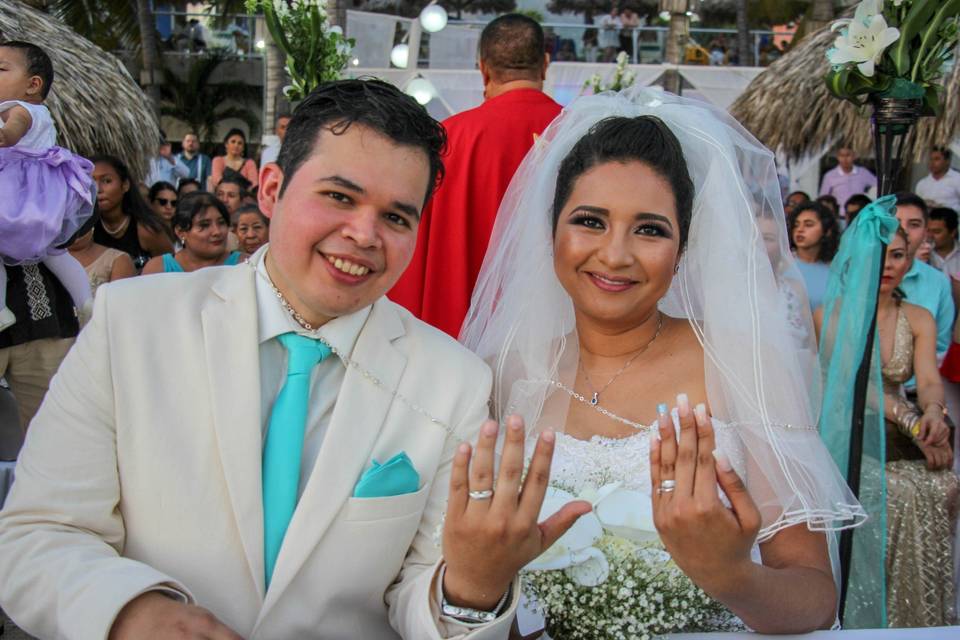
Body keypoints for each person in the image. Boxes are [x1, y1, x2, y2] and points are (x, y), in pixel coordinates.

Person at [0, 78, 584, 639]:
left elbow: (417, 591)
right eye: (338, 196)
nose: (363, 233)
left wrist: (473, 588)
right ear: (273, 188)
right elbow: (38, 531)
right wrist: (128, 612)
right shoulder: (131, 323)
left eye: (396, 217)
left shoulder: (453, 380)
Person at [461, 88, 864, 637]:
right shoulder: (504, 371)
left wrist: (732, 576)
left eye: (650, 229)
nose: (616, 254)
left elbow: (816, 599)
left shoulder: (740, 365)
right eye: (590, 220)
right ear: (550, 230)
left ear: (683, 251)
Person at [816, 227, 959, 627]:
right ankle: (873, 619)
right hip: (847, 436)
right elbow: (854, 387)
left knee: (943, 484)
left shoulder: (918, 318)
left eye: (897, 255)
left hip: (900, 435)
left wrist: (933, 413)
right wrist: (913, 419)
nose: (887, 266)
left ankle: (917, 619)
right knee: (900, 492)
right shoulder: (831, 315)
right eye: (877, 257)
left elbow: (929, 380)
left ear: (909, 261)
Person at [390, 14, 562, 338]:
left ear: (483, 68)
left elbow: (412, 247)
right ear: (545, 64)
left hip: (458, 337)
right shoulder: (580, 133)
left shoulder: (447, 139)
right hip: (558, 338)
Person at [0, 41, 95, 333]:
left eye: (1, 69)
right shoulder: (41, 112)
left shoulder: (17, 109)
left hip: (19, 188)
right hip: (44, 191)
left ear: (33, 84)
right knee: (55, 252)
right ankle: (86, 301)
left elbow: (10, 136)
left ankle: (1, 309)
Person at [895, 192, 954, 363]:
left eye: (914, 224)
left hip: (919, 385)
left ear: (925, 232)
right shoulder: (860, 275)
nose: (904, 231)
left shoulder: (938, 282)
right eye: (896, 223)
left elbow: (941, 346)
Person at [91, 155, 173, 270]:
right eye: (91, 181)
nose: (98, 189)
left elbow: (172, 269)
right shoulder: (84, 231)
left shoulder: (146, 230)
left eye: (107, 181)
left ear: (125, 185)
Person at [142, 193, 243, 274]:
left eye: (221, 223)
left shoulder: (245, 266)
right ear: (181, 232)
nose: (217, 232)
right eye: (204, 225)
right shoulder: (158, 269)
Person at [789, 201, 840, 311]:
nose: (800, 229)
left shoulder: (836, 270)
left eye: (808, 225)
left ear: (827, 231)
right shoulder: (782, 265)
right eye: (796, 225)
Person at [67, 227, 136, 298]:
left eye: (80, 220)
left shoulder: (118, 260)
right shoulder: (54, 264)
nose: (74, 225)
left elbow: (119, 304)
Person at [819, 146, 877, 211]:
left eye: (848, 155)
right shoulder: (830, 176)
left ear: (854, 156)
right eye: (841, 155)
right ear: (837, 157)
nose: (845, 159)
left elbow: (878, 186)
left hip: (859, 213)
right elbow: (823, 198)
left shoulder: (863, 173)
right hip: (839, 215)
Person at [916, 146, 960, 211]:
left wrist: (943, 208)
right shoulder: (922, 183)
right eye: (930, 159)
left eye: (937, 159)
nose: (932, 163)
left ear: (947, 161)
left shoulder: (957, 179)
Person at [928, 206, 960, 277]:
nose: (930, 236)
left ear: (952, 232)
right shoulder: (922, 254)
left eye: (936, 232)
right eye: (928, 231)